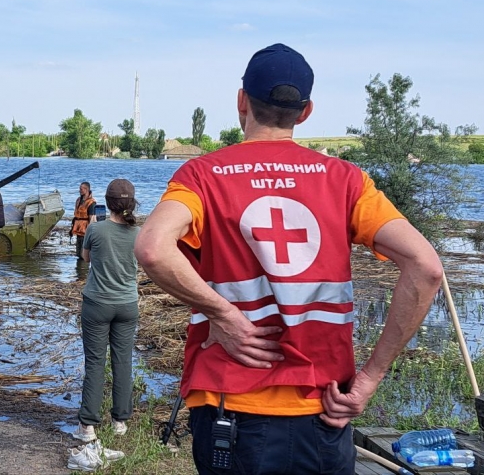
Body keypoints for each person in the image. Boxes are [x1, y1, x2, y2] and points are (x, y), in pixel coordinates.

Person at [134, 43, 444, 474]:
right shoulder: (346, 180)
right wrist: (369, 380)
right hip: (324, 414)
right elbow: (426, 267)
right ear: (306, 111)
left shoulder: (203, 175)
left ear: (241, 101)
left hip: (231, 406)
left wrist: (223, 315)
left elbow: (152, 247)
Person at [72, 179, 140, 445]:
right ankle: (120, 421)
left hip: (97, 304)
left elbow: (86, 258)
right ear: (132, 203)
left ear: (106, 202)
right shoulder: (139, 233)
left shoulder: (96, 229)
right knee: (123, 361)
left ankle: (88, 425)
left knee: (95, 363)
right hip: (127, 304)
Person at [70, 181, 97, 258]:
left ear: (86, 189)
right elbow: (76, 215)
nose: (79, 190)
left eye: (81, 189)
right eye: (80, 189)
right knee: (78, 252)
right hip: (78, 228)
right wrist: (72, 229)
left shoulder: (91, 202)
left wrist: (91, 232)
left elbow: (91, 218)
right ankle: (79, 267)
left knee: (84, 252)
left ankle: (83, 267)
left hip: (85, 230)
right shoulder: (78, 200)